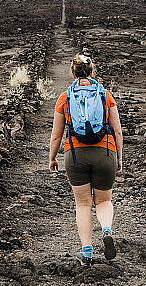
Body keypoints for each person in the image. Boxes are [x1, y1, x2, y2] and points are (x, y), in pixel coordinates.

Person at [48, 54, 123, 266]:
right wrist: (119, 158)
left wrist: (52, 157)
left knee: (82, 204)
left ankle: (87, 253)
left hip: (75, 154)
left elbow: (56, 135)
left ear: (72, 73)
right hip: (105, 153)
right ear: (92, 72)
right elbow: (117, 132)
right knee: (104, 200)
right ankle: (106, 229)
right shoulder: (105, 95)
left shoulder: (65, 97)